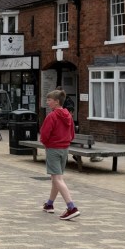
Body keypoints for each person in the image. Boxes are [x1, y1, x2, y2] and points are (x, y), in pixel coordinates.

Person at [39, 89, 79, 220]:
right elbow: (72, 133)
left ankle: (71, 207)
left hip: (53, 149)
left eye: (49, 100)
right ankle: (49, 204)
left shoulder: (52, 116)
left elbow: (44, 134)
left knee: (57, 179)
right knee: (56, 178)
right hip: (64, 149)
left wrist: (46, 143)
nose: (47, 102)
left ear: (56, 102)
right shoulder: (68, 115)